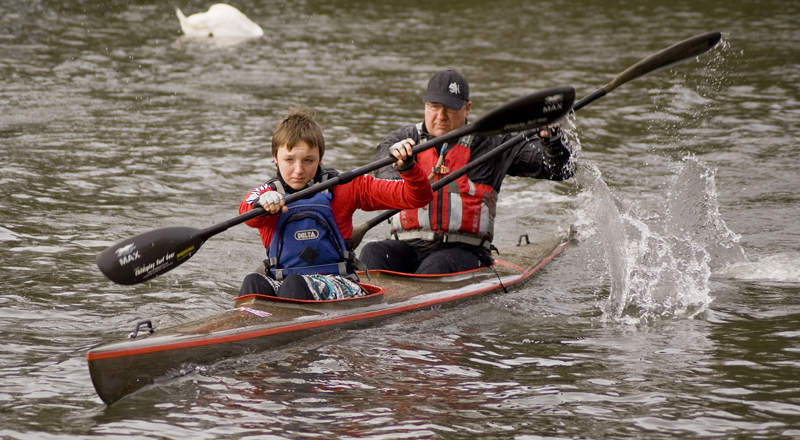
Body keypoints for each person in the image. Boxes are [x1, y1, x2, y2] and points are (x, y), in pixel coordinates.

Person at [359, 70, 575, 275]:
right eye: (434, 106)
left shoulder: (494, 143)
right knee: (372, 252)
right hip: (407, 246)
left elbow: (559, 169)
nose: (440, 116)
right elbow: (385, 184)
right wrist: (403, 166)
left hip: (466, 251)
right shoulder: (399, 141)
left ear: (467, 108)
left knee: (437, 264)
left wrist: (552, 138)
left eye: (450, 108)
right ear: (425, 105)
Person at [238, 107, 433, 300]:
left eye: (308, 160)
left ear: (320, 158)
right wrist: (260, 207)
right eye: (289, 160)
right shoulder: (266, 195)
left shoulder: (345, 185)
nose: (298, 170)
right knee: (253, 283)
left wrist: (408, 168)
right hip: (285, 283)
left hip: (339, 283)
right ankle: (246, 326)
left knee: (295, 283)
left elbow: (417, 197)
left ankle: (288, 328)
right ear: (275, 158)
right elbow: (246, 212)